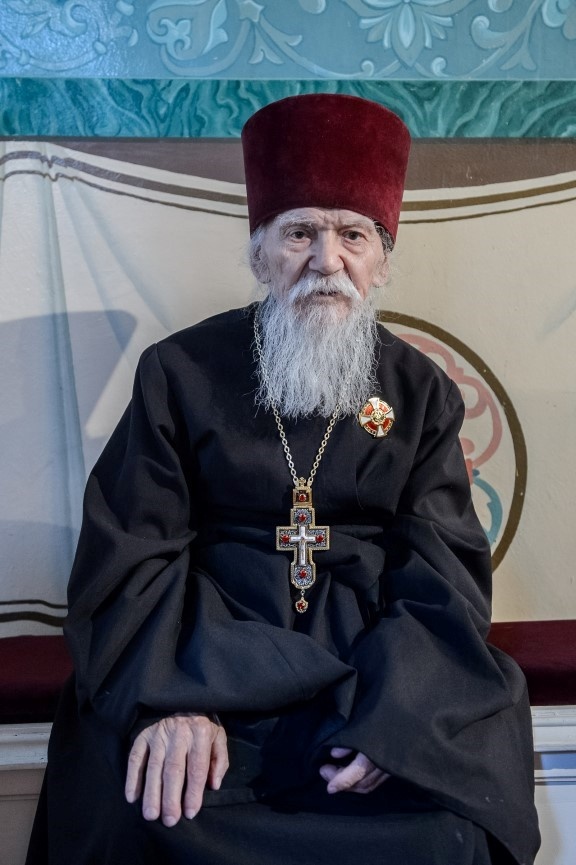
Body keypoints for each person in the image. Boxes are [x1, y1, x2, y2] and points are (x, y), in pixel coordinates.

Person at [27, 94, 540, 865]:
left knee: (447, 823)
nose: (326, 261)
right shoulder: (181, 372)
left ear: (382, 261)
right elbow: (132, 551)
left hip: (367, 670)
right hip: (212, 662)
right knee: (147, 801)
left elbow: (443, 572)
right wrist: (172, 697)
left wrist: (397, 720)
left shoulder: (419, 393)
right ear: (261, 252)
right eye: (300, 231)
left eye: (352, 235)